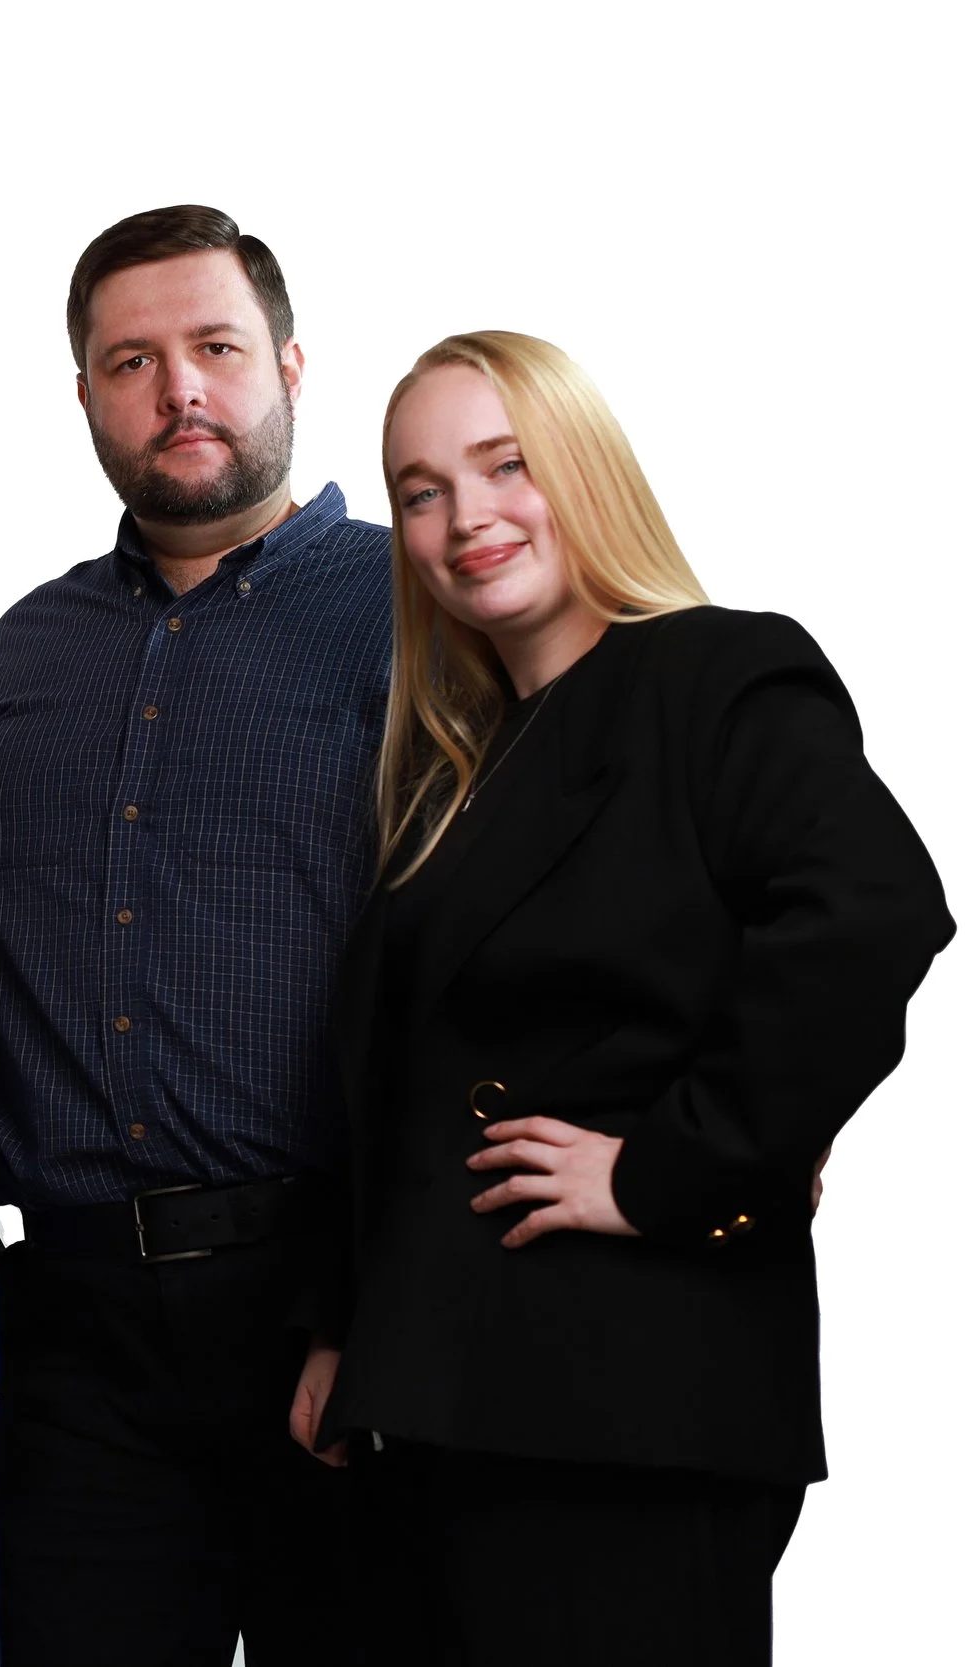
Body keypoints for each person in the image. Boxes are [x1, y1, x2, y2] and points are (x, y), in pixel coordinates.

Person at [307, 330, 953, 1665]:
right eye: (421, 490)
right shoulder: (459, 761)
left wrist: (673, 1166)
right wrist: (346, 1337)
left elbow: (871, 913)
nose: (465, 516)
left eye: (506, 464)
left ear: (585, 465)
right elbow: (403, 1079)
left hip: (629, 1390)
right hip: (451, 1401)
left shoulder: (717, 673)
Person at [0, 204, 391, 1666]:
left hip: (334, 1294)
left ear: (289, 362)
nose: (179, 388)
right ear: (85, 393)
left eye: (215, 346)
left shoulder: (418, 610)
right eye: (131, 361)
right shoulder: (27, 651)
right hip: (74, 1331)